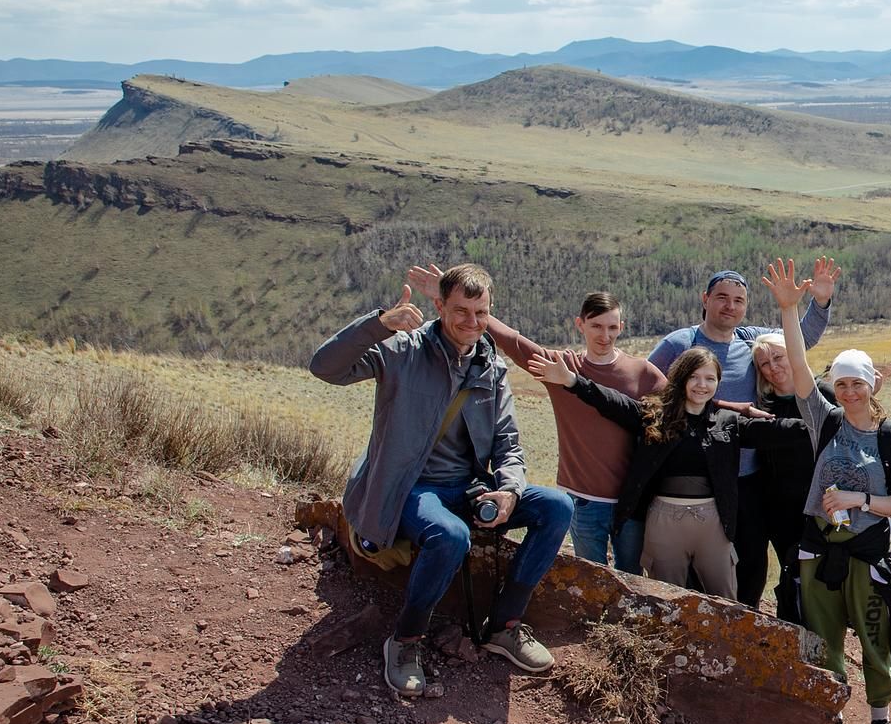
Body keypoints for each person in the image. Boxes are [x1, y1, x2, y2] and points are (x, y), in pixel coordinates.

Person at [310, 264, 573, 698]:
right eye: (461, 310)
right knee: (450, 536)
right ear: (439, 306)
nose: (471, 322)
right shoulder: (403, 349)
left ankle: (504, 626)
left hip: (468, 486)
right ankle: (406, 640)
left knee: (557, 506)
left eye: (481, 312)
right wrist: (377, 325)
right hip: (410, 487)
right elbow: (325, 367)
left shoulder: (490, 367)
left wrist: (508, 490)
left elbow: (508, 441)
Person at [764, 258, 891, 724]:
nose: (849, 391)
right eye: (843, 382)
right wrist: (792, 310)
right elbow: (798, 365)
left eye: (858, 382)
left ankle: (881, 723)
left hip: (868, 550)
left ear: (875, 385)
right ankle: (827, 720)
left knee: (875, 637)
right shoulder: (823, 420)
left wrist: (859, 500)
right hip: (818, 548)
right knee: (822, 637)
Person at [413, 275, 661, 572]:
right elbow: (516, 343)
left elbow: (688, 402)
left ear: (622, 327)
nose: (604, 335)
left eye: (611, 327)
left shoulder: (642, 372)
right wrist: (468, 306)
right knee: (592, 574)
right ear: (580, 325)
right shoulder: (559, 367)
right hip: (582, 500)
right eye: (596, 326)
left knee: (633, 573)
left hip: (630, 500)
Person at [524, 347, 805, 600]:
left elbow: (782, 431)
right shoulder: (654, 416)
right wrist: (571, 381)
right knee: (668, 597)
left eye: (710, 379)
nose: (702, 385)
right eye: (695, 377)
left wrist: (838, 418)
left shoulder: (728, 423)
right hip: (663, 521)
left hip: (714, 523)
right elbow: (609, 401)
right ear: (681, 378)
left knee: (725, 595)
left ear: (718, 384)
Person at [650, 263, 839, 608]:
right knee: (698, 562)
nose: (730, 306)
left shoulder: (749, 340)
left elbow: (800, 339)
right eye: (722, 297)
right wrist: (727, 407)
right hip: (696, 478)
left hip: (748, 476)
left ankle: (743, 623)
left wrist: (821, 302)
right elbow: (650, 390)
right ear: (705, 299)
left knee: (751, 560)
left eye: (738, 300)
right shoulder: (680, 343)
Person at [750, 332, 835, 622]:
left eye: (778, 357)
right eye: (764, 364)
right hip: (779, 511)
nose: (773, 367)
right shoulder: (762, 406)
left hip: (822, 508)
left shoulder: (823, 395)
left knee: (824, 578)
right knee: (793, 577)